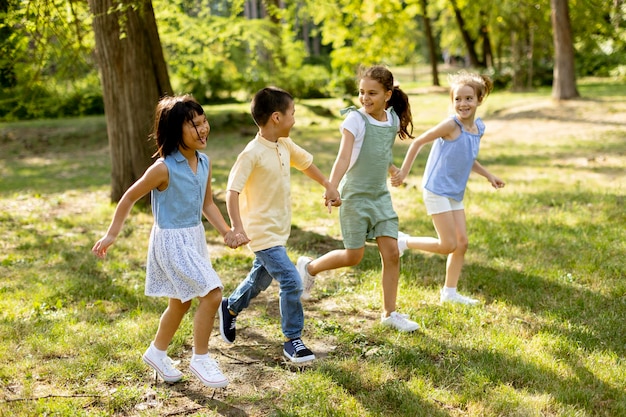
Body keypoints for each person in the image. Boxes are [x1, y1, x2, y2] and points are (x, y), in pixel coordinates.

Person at [92, 95, 244, 388]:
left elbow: (208, 204)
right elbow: (129, 197)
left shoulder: (204, 162)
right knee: (212, 293)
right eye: (194, 126)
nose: (203, 130)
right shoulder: (163, 168)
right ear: (176, 131)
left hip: (194, 238)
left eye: (203, 122)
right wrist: (112, 233)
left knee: (181, 302)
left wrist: (226, 231)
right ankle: (201, 357)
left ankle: (157, 352)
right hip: (171, 242)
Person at [218, 86, 341, 363]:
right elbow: (232, 191)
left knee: (260, 279)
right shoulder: (251, 153)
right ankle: (292, 340)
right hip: (260, 232)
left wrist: (328, 185)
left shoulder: (284, 145)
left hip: (278, 230)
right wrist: (237, 227)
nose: (294, 119)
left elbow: (305, 163)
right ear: (276, 117)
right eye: (292, 114)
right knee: (291, 280)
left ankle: (230, 307)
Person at [296, 65, 420, 332]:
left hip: (380, 197)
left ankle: (390, 313)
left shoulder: (392, 120)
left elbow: (382, 151)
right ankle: (310, 268)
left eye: (372, 93)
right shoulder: (355, 120)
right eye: (362, 92)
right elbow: (343, 156)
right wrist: (332, 186)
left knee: (392, 253)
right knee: (354, 256)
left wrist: (392, 169)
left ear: (388, 94)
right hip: (354, 196)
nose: (365, 98)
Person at [390, 71, 505, 305]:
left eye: (468, 98)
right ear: (452, 102)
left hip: (454, 192)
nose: (462, 104)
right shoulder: (450, 125)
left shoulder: (477, 128)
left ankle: (449, 293)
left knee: (461, 243)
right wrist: (404, 172)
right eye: (457, 99)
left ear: (479, 100)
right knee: (447, 245)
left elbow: (468, 158)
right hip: (436, 189)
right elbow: (419, 142)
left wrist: (488, 175)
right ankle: (403, 241)